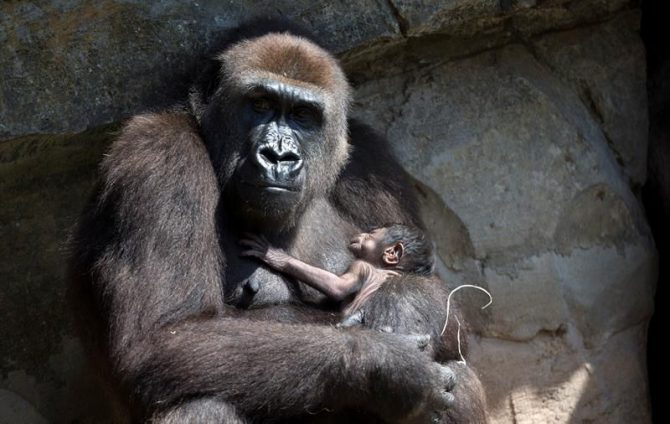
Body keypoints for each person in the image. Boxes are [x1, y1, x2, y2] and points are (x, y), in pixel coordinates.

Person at [240, 224, 434, 326]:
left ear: (392, 253)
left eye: (370, 235)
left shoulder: (365, 269)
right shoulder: (399, 288)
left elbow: (337, 288)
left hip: (352, 335)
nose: (361, 235)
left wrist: (283, 260)